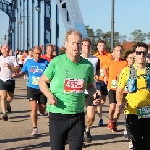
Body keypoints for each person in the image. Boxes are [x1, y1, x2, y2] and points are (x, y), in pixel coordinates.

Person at [38, 29, 100, 150]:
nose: (76, 46)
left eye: (78, 43)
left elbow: (90, 86)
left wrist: (95, 95)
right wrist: (49, 96)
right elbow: (42, 81)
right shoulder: (56, 62)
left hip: (77, 115)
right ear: (65, 44)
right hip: (58, 114)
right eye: (73, 43)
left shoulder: (87, 66)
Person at [116, 42, 150, 150]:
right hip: (132, 111)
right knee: (137, 142)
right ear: (134, 54)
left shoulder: (149, 70)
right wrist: (119, 103)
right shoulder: (127, 71)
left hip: (148, 111)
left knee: (148, 142)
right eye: (138, 52)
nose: (141, 55)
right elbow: (119, 90)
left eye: (144, 53)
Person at [18, 46, 49, 135]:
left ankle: (40, 108)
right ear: (32, 53)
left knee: (42, 110)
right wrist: (17, 75)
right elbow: (22, 72)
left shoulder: (45, 62)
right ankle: (35, 128)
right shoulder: (28, 62)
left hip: (42, 88)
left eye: (39, 53)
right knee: (34, 108)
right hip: (31, 87)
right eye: (36, 53)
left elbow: (51, 73)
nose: (37, 55)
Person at [104, 44, 127, 132]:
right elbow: (104, 70)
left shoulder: (125, 63)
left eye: (120, 51)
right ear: (113, 52)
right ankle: (110, 119)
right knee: (112, 107)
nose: (119, 52)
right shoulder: (109, 62)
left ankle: (114, 122)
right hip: (111, 88)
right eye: (117, 51)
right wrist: (105, 76)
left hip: (120, 89)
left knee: (118, 108)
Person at [81, 38, 100, 143]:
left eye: (88, 45)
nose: (87, 47)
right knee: (78, 117)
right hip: (78, 91)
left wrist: (97, 76)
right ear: (81, 47)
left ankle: (87, 129)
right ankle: (80, 139)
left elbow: (97, 72)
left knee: (91, 116)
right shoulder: (77, 59)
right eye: (84, 45)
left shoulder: (96, 59)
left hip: (91, 91)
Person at [0, 45, 20, 121]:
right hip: (2, 79)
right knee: (3, 97)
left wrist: (10, 67)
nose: (7, 49)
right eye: (5, 48)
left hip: (11, 80)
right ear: (1, 50)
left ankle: (7, 103)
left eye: (8, 48)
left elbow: (18, 69)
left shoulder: (13, 58)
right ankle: (4, 114)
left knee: (10, 97)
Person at [94, 40, 111, 126]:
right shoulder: (94, 57)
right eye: (100, 46)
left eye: (103, 46)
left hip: (106, 80)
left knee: (103, 100)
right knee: (99, 98)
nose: (102, 47)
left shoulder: (109, 56)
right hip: (97, 80)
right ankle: (100, 118)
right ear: (97, 47)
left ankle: (95, 106)